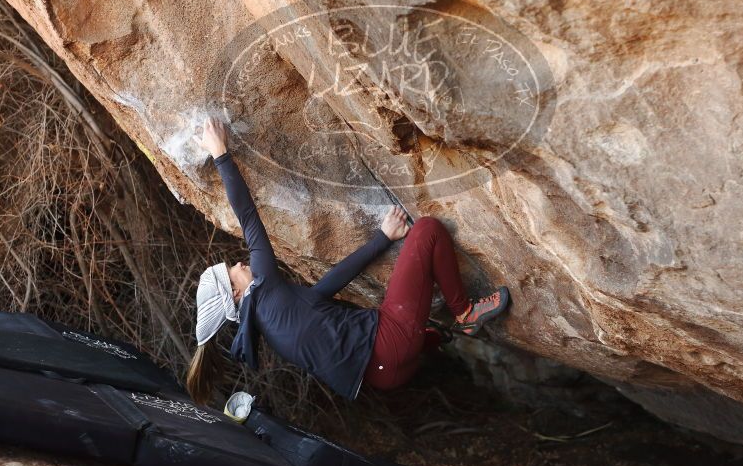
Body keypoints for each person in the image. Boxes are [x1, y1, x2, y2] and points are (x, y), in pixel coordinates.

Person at [186, 116, 509, 405]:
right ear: (236, 293)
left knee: (393, 319)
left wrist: (383, 239)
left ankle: (425, 338)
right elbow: (248, 217)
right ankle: (465, 313)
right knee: (427, 231)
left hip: (386, 376)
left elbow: (325, 289)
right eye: (234, 272)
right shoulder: (265, 291)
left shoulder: (269, 323)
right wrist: (220, 153)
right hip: (391, 343)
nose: (241, 265)